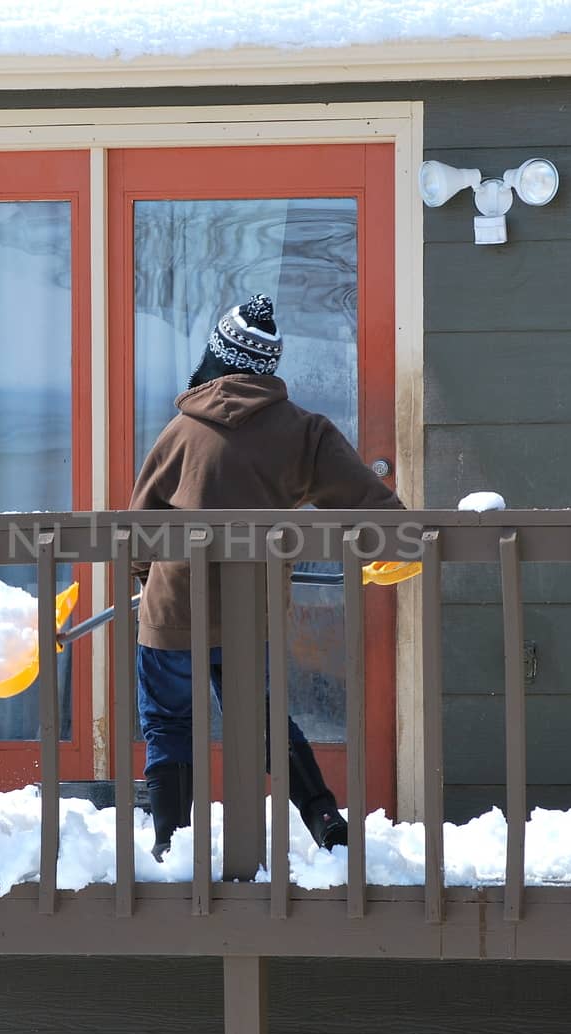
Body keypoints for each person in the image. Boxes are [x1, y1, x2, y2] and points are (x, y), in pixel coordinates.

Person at [128, 293, 405, 861]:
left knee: (169, 723)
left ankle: (170, 846)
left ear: (216, 356)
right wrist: (387, 547)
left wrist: (141, 579)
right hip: (247, 615)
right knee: (263, 721)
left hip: (173, 608)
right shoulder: (305, 433)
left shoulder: (180, 432)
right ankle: (324, 819)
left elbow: (139, 528)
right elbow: (375, 511)